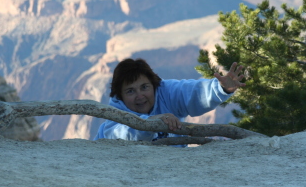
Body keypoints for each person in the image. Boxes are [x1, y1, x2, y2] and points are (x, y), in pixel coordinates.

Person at [94, 58, 245, 143]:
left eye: (144, 87)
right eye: (130, 91)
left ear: (154, 85)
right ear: (120, 95)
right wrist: (152, 122)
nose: (140, 95)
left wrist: (222, 89)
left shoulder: (166, 92)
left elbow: (195, 92)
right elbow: (120, 134)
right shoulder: (114, 112)